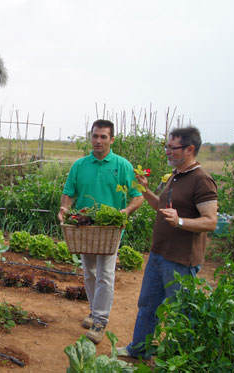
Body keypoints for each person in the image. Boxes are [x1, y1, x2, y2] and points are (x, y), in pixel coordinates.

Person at [117, 126, 217, 359]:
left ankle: (184, 358)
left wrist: (181, 221)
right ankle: (138, 350)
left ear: (190, 149)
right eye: (167, 147)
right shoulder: (175, 175)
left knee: (181, 312)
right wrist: (144, 189)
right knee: (148, 306)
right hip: (159, 253)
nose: (167, 152)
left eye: (172, 148)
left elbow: (210, 222)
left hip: (181, 260)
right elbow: (160, 207)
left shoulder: (202, 181)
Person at [58, 119, 143, 344]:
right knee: (89, 272)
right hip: (84, 228)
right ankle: (95, 311)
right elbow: (69, 193)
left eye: (103, 136)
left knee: (105, 274)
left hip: (110, 230)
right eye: (95, 136)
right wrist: (64, 209)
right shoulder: (80, 165)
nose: (98, 140)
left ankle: (100, 320)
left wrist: (125, 211)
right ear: (91, 137)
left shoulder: (122, 166)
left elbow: (138, 195)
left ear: (111, 139)